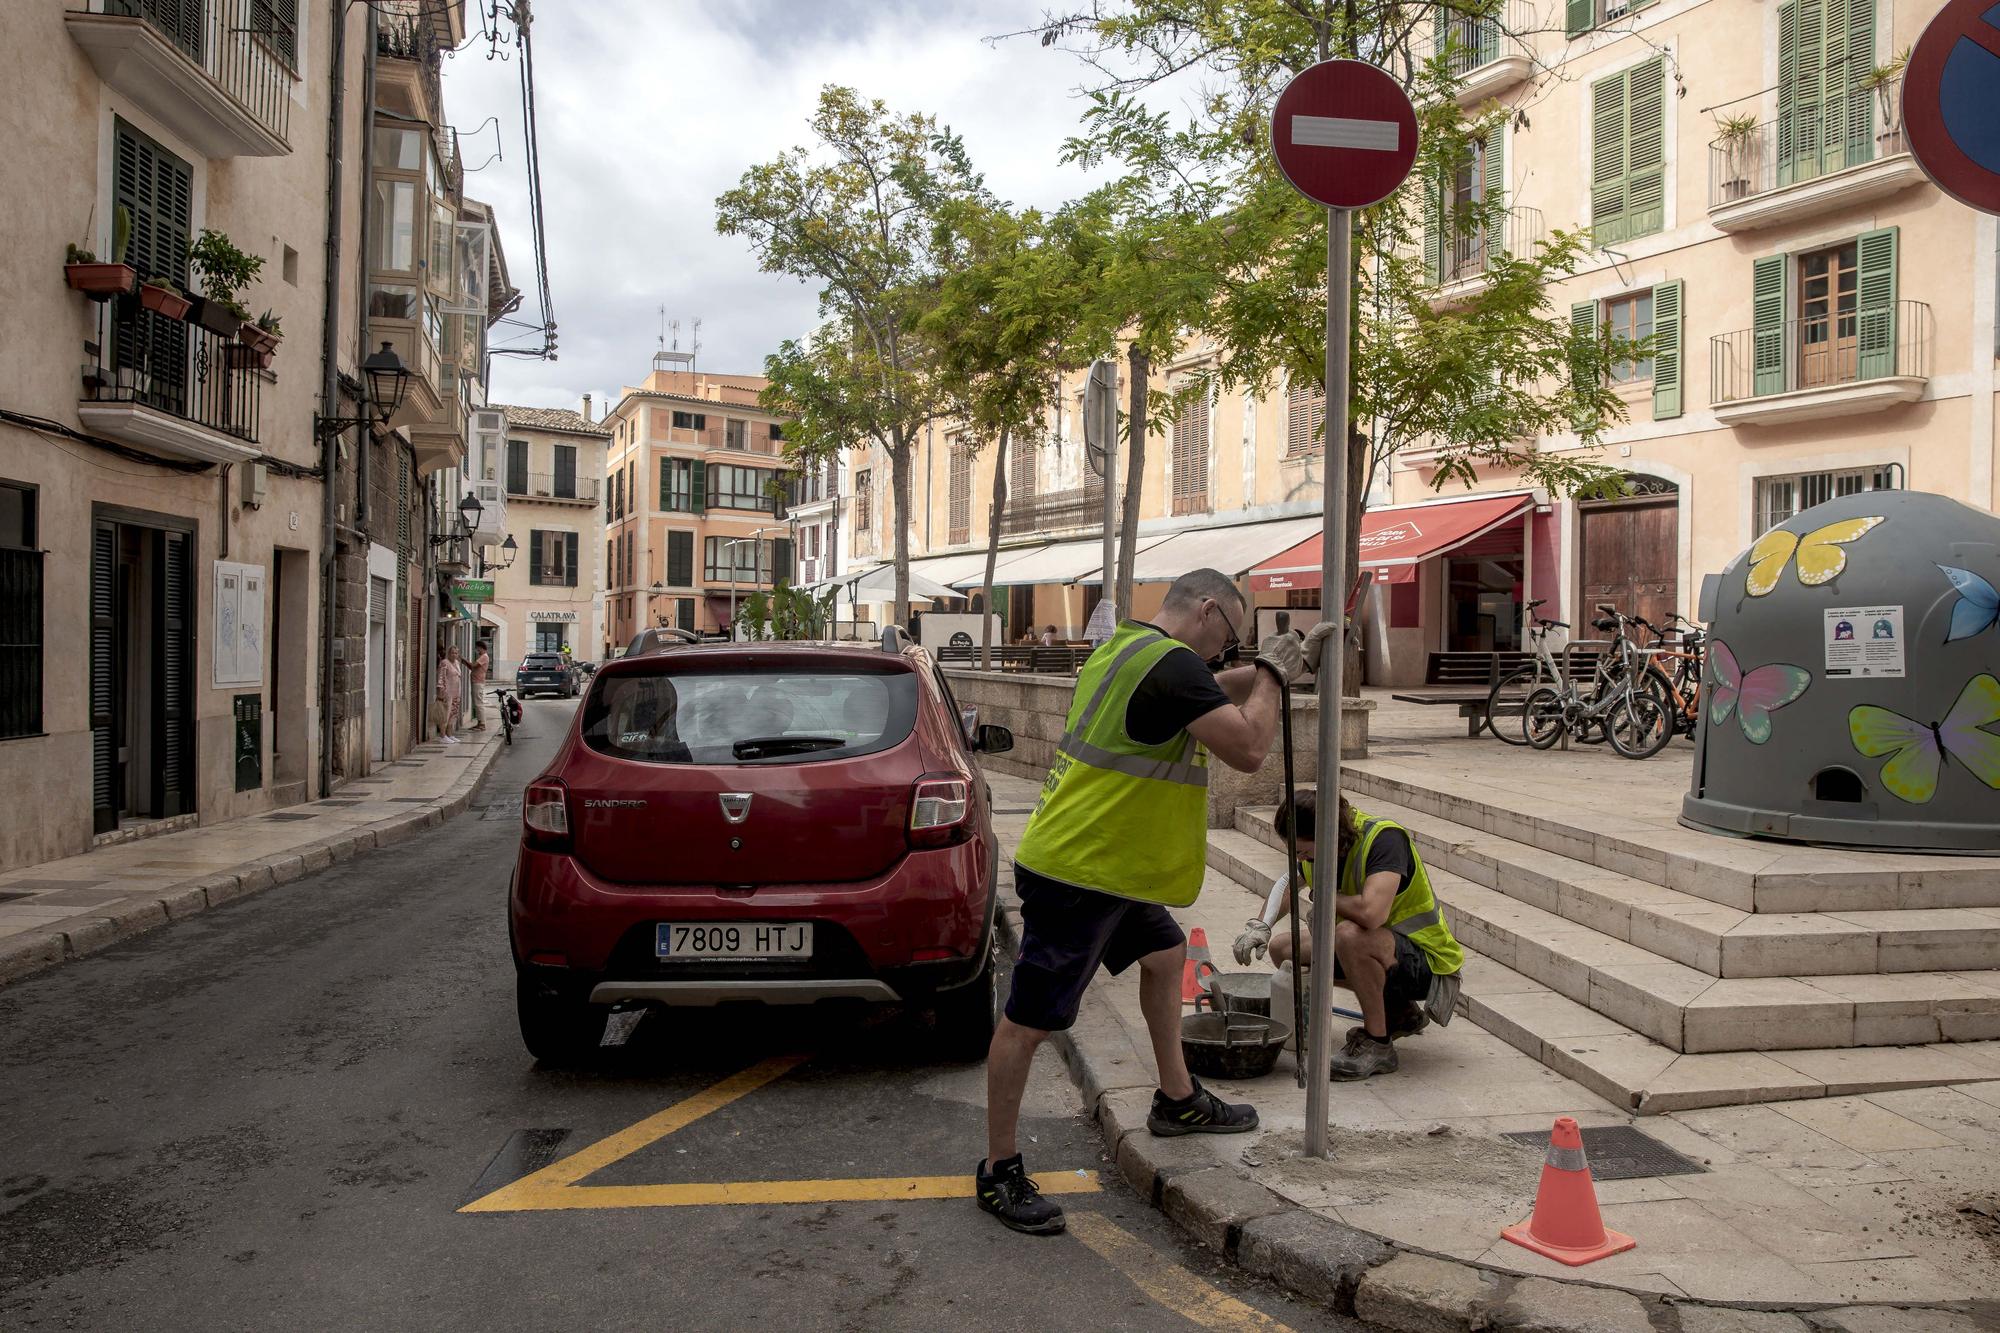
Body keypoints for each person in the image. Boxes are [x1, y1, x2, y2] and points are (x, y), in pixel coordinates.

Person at [975, 569, 1333, 1236]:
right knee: (1028, 1020)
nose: (1225, 652)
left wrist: (1266, 668)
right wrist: (1274, 680)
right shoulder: (1169, 664)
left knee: (1168, 953)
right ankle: (998, 1169)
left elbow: (1212, 689)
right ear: (1207, 610)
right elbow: (1251, 748)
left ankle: (1176, 1098)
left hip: (1101, 861)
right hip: (1083, 871)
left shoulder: (1126, 648)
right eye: (1229, 635)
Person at [1232, 789, 1465, 1081]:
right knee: (1284, 949)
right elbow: (1288, 884)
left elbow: (1371, 913)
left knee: (1349, 935)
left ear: (1329, 834)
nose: (1302, 858)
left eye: (1304, 850)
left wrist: (1325, 896)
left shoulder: (1384, 840)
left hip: (1428, 965)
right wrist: (1260, 925)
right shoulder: (1319, 850)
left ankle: (1377, 1043)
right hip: (1381, 953)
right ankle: (1398, 1010)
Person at [436, 646, 463, 744]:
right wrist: (441, 692)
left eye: (456, 653)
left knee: (453, 714)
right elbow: (441, 678)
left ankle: (450, 734)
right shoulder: (444, 663)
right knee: (445, 715)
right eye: (452, 653)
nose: (454, 655)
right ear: (448, 653)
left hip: (456, 692)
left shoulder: (457, 663)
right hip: (447, 693)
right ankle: (442, 736)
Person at [468, 644, 490, 730]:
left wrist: (464, 660)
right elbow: (472, 667)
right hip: (476, 681)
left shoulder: (484, 656)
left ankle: (482, 724)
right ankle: (479, 722)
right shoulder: (482, 657)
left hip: (478, 682)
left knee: (478, 703)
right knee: (477, 703)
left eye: (477, 648)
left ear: (481, 648)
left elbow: (473, 665)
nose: (477, 650)